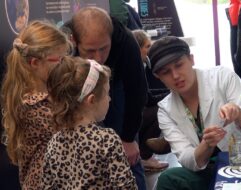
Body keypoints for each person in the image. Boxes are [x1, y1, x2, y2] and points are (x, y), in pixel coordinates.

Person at [147, 36, 241, 190]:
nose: (175, 76)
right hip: (212, 169)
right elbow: (188, 160)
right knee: (167, 179)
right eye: (166, 72)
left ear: (191, 59)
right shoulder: (166, 110)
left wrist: (239, 114)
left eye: (179, 65)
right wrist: (206, 145)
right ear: (158, 77)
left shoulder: (222, 77)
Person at [69, 7, 147, 189]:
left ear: (111, 38)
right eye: (90, 50)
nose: (98, 57)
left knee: (129, 158)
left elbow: (137, 90)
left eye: (104, 48)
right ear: (74, 41)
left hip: (116, 88)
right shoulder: (65, 43)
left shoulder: (126, 41)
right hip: (77, 95)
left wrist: (128, 138)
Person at [43, 57, 137, 189]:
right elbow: (126, 186)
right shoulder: (106, 139)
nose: (109, 99)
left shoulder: (54, 141)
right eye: (107, 93)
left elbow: (47, 186)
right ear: (91, 100)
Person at [1, 20, 71, 190]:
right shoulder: (34, 107)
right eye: (59, 60)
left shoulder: (44, 98)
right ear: (35, 63)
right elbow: (72, 135)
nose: (65, 65)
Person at [132, 29, 169, 172]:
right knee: (162, 110)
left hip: (137, 111)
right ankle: (145, 157)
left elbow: (146, 94)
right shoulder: (135, 67)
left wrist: (169, 92)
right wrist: (170, 94)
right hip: (133, 114)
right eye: (147, 46)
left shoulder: (142, 64)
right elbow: (148, 99)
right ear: (137, 48)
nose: (151, 49)